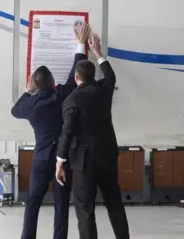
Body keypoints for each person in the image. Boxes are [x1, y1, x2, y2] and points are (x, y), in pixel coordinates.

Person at [11, 23, 91, 239]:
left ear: (35, 85)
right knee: (61, 205)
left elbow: (15, 110)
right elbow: (75, 76)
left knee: (32, 203)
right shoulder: (61, 96)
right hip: (61, 160)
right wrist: (80, 44)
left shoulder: (29, 105)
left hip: (39, 160)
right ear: (53, 82)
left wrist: (28, 92)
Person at [55, 34, 130, 239]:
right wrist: (98, 52)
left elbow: (67, 132)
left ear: (76, 78)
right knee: (114, 204)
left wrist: (60, 161)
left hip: (83, 163)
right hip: (107, 157)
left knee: (85, 209)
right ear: (92, 75)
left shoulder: (71, 100)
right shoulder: (104, 90)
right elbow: (111, 76)